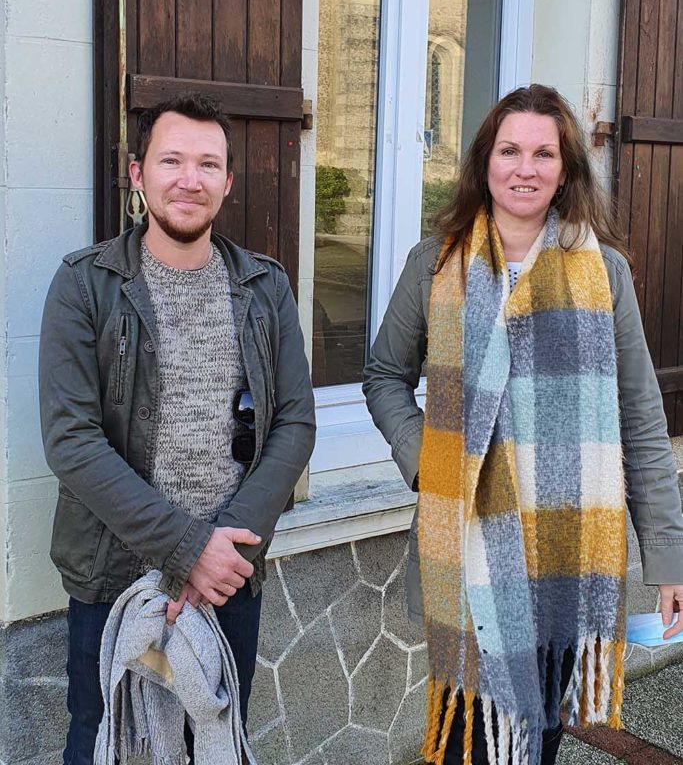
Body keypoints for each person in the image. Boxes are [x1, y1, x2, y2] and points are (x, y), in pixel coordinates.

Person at [363, 85, 683, 765]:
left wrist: (666, 557)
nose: (524, 167)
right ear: (484, 162)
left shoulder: (605, 274)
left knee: (535, 738)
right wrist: (427, 461)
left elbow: (640, 421)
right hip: (470, 549)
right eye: (509, 150)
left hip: (567, 555)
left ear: (565, 170)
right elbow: (383, 377)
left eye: (544, 153)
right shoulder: (434, 265)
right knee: (467, 744)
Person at [39, 94, 316, 765]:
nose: (188, 179)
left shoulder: (264, 286)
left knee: (212, 739)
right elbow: (71, 441)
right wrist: (185, 547)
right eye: (171, 160)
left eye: (207, 164)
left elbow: (295, 424)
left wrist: (221, 554)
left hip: (227, 576)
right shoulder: (85, 284)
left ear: (226, 181)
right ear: (137, 174)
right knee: (105, 741)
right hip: (114, 574)